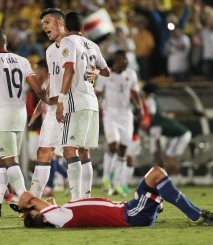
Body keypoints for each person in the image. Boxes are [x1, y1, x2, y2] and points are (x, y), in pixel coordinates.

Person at [0, 29, 50, 217]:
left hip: (2, 113)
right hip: (19, 113)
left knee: (9, 160)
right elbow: (38, 89)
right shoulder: (22, 61)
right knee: (2, 161)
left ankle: (27, 201)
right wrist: (49, 102)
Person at [28, 9, 102, 201]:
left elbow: (89, 70)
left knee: (80, 150)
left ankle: (82, 199)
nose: (44, 27)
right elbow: (52, 79)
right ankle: (33, 200)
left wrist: (98, 74)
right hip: (54, 108)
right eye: (43, 23)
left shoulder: (74, 45)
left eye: (48, 22)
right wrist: (40, 105)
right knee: (43, 151)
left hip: (73, 104)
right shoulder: (50, 50)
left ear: (61, 22)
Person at [19, 165, 213, 228]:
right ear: (44, 217)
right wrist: (25, 208)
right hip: (131, 214)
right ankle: (198, 215)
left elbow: (50, 202)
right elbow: (27, 197)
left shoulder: (59, 214)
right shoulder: (58, 217)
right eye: (39, 210)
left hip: (131, 210)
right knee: (156, 174)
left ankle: (159, 202)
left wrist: (32, 209)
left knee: (156, 177)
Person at [55, 11, 110, 201]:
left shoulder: (68, 42)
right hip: (92, 102)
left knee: (69, 149)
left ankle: (76, 199)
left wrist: (60, 100)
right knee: (84, 151)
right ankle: (85, 197)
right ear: (83, 27)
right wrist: (96, 72)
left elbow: (69, 69)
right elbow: (107, 71)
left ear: (65, 27)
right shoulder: (93, 45)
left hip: (76, 101)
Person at [95, 50, 142, 196]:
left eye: (127, 60)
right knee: (113, 145)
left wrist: (139, 106)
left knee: (123, 148)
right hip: (110, 115)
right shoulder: (105, 75)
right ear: (116, 60)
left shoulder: (131, 74)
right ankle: (106, 178)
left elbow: (134, 92)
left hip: (126, 116)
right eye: (123, 60)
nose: (126, 62)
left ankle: (118, 183)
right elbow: (97, 93)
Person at [143, 84, 192, 175]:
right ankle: (173, 177)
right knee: (168, 156)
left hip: (182, 135)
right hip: (179, 135)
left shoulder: (155, 120)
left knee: (168, 157)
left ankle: (175, 177)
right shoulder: (156, 104)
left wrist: (158, 160)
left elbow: (157, 144)